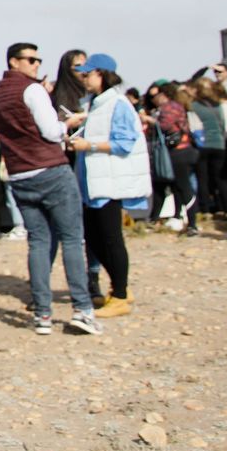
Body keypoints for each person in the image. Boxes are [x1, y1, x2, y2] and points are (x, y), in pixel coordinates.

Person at [0, 43, 99, 336]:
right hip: (50, 169)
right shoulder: (33, 89)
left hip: (20, 174)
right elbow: (50, 131)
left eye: (38, 59)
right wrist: (67, 124)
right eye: (31, 59)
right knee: (72, 239)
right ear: (14, 61)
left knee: (38, 243)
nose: (36, 64)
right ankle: (82, 309)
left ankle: (43, 314)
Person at [69, 55, 150, 319]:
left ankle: (121, 294)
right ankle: (119, 284)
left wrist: (88, 145)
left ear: (102, 74)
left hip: (109, 182)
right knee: (94, 238)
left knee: (111, 238)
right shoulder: (97, 104)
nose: (84, 79)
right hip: (95, 182)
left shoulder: (117, 103)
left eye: (88, 74)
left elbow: (125, 142)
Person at [147, 81, 199, 235]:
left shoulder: (169, 107)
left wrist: (149, 120)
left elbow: (164, 126)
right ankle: (187, 221)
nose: (153, 99)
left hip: (179, 152)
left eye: (155, 96)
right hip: (183, 151)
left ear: (163, 94)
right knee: (180, 187)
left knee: (184, 188)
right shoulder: (176, 106)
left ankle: (192, 224)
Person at [190, 78, 227, 217]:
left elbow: (192, 127)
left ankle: (206, 209)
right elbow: (224, 125)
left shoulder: (194, 106)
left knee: (203, 178)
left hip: (203, 145)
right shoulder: (218, 106)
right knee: (221, 178)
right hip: (219, 144)